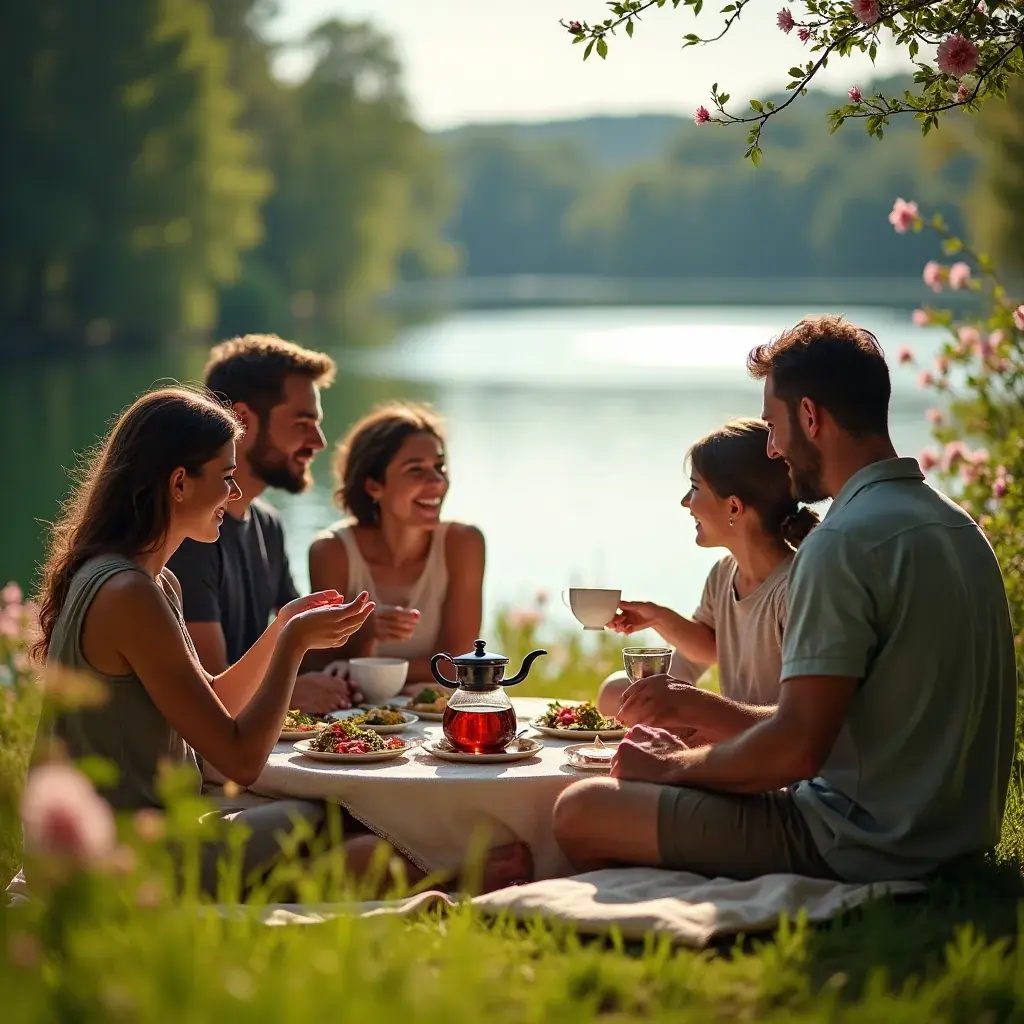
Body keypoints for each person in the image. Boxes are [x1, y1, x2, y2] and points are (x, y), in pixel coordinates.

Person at [553, 314, 1017, 885]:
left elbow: (796, 750)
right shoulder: (959, 527)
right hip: (957, 842)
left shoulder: (842, 543)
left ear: (810, 416)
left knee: (581, 810)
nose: (773, 449)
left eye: (772, 425)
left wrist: (671, 767)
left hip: (856, 843)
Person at [31, 386, 376, 895]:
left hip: (144, 835)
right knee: (340, 824)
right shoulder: (129, 593)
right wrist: (293, 648)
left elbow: (211, 702)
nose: (235, 496)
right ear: (179, 483)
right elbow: (239, 759)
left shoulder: (151, 581)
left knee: (331, 822)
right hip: (123, 860)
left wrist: (279, 626)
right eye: (227, 478)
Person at [168, 334, 355, 714]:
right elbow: (210, 694)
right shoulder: (189, 534)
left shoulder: (267, 522)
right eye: (302, 422)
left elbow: (303, 642)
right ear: (241, 419)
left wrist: (369, 628)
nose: (318, 442)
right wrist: (292, 692)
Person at [596, 418, 818, 722]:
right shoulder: (724, 573)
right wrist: (658, 617)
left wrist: (696, 712)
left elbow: (808, 718)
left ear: (734, 508)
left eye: (694, 488)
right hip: (734, 735)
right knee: (615, 693)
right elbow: (711, 648)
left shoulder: (795, 589)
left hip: (773, 743)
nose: (685, 502)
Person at [307, 401, 485, 691]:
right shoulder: (331, 552)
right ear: (373, 486)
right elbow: (316, 664)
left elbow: (458, 665)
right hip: (354, 716)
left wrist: (362, 667)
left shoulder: (463, 543)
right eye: (416, 470)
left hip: (434, 715)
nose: (437, 481)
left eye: (439, 467)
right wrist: (366, 632)